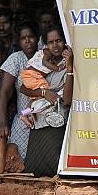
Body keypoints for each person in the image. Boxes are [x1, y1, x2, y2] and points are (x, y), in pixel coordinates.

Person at [21, 26, 74, 177]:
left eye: (58, 40)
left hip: (56, 122)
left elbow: (68, 100)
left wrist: (69, 67)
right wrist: (45, 93)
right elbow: (23, 89)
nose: (55, 45)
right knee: (34, 167)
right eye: (51, 42)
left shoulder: (68, 66)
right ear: (46, 45)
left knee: (54, 166)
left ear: (65, 42)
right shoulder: (41, 63)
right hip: (36, 120)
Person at [0, 22, 39, 159]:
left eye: (31, 37)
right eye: (23, 38)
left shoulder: (45, 56)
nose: (27, 41)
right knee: (16, 157)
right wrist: (3, 123)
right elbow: (3, 93)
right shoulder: (16, 58)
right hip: (23, 116)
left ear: (38, 38)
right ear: (18, 41)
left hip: (44, 115)